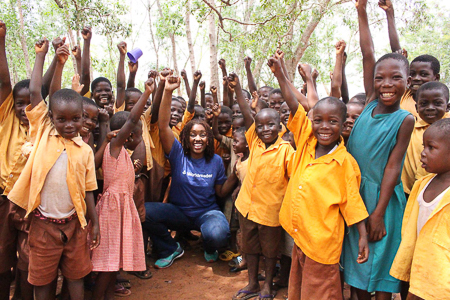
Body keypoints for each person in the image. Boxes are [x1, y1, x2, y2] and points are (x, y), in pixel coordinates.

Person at [268, 54, 369, 300]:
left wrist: (363, 236)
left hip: (322, 241)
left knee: (322, 290)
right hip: (300, 234)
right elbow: (294, 106)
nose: (324, 127)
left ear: (343, 123)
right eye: (319, 120)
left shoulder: (345, 163)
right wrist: (280, 74)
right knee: (299, 286)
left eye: (333, 121)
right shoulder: (306, 140)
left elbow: (352, 203)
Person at [8, 38, 99, 300]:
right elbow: (37, 93)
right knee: (42, 283)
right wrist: (41, 56)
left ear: (83, 118)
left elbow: (90, 190)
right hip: (43, 226)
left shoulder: (84, 151)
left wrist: (94, 223)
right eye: (61, 119)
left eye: (75, 119)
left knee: (76, 279)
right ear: (52, 119)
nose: (69, 125)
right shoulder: (44, 133)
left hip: (74, 226)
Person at [341, 1, 415, 299]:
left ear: (408, 82)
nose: (386, 84)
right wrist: (361, 9)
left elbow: (393, 168)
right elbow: (367, 52)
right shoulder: (369, 102)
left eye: (396, 78)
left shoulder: (405, 119)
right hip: (354, 195)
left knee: (380, 265)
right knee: (358, 268)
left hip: (382, 199)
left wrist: (379, 213)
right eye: (380, 78)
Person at [143, 75, 237, 268]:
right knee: (145, 212)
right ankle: (170, 248)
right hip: (179, 213)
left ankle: (209, 246)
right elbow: (162, 126)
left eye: (203, 135)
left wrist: (235, 173)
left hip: (206, 213)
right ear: (186, 137)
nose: (198, 139)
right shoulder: (178, 154)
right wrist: (168, 91)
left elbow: (220, 193)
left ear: (209, 139)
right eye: (193, 135)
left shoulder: (216, 161)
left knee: (218, 235)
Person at [230, 71, 295, 300]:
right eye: (261, 126)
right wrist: (238, 88)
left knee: (270, 252)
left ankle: (267, 285)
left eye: (271, 125)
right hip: (247, 206)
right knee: (250, 248)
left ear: (280, 127)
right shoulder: (254, 142)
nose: (265, 129)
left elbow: (294, 181)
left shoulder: (287, 151)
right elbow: (247, 112)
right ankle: (252, 284)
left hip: (270, 212)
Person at [91, 79, 154, 300]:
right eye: (137, 134)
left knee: (113, 264)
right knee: (108, 268)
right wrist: (146, 93)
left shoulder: (123, 153)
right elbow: (133, 118)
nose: (140, 138)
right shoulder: (115, 148)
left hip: (120, 210)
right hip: (112, 211)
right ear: (125, 134)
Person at [390, 118, 450, 300]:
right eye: (423, 147)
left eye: (431, 148)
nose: (423, 153)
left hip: (442, 277)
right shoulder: (421, 184)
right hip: (418, 267)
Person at [401, 82, 449, 196]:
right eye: (424, 103)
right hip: (408, 191)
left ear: (447, 107)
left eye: (437, 103)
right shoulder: (409, 128)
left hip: (440, 192)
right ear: (416, 108)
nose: (430, 108)